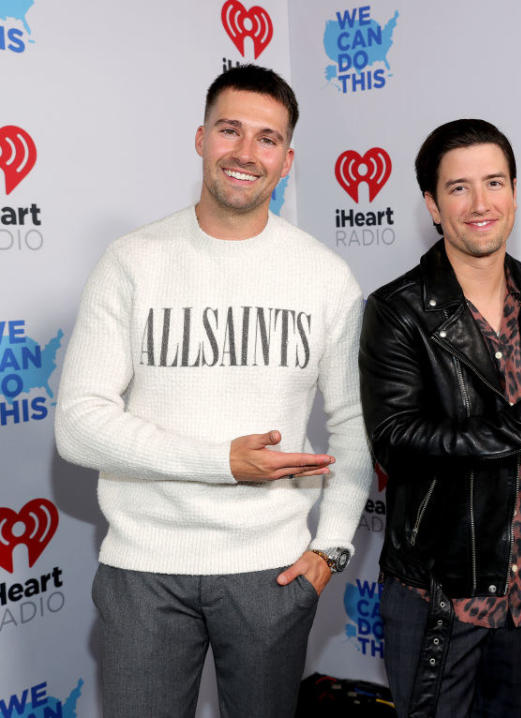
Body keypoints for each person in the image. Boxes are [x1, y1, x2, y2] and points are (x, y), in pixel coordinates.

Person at [55, 65, 372, 717]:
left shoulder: (324, 278)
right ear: (200, 138)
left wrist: (330, 549)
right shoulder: (132, 261)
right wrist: (221, 462)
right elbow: (78, 425)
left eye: (267, 139)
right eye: (230, 130)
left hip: (272, 575)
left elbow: (355, 427)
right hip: (142, 572)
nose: (245, 153)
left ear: (287, 161)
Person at [358, 119, 521, 718]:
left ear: (516, 193)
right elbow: (397, 442)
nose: (481, 204)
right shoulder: (398, 311)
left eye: (494, 183)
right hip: (439, 594)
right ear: (432, 204)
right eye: (458, 188)